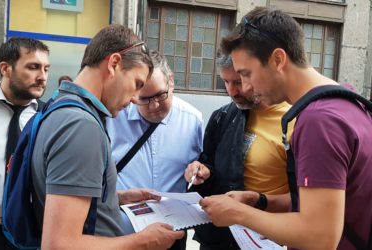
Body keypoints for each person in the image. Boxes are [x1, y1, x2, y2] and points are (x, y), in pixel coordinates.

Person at [200, 7, 372, 250]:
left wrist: (239, 214)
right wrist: (260, 201)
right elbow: (323, 202)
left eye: (246, 74)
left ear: (278, 60)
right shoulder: (347, 101)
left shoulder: (318, 121)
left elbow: (320, 237)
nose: (246, 88)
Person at [31, 24, 184, 249]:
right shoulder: (80, 126)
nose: (134, 99)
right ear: (114, 64)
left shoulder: (59, 106)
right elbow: (58, 244)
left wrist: (116, 197)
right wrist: (142, 240)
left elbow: (63, 195)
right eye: (137, 84)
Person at [185, 53, 293, 250]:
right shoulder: (223, 116)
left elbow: (304, 198)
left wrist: (256, 201)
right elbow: (210, 164)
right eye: (225, 82)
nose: (232, 91)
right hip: (219, 237)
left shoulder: (294, 121)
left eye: (238, 81)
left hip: (266, 239)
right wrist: (204, 173)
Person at [107, 50, 203, 249]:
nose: (154, 106)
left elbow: (201, 168)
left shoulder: (192, 120)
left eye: (160, 95)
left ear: (171, 82)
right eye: (145, 98)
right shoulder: (114, 118)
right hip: (124, 227)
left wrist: (199, 170)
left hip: (173, 229)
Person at [0, 37, 50, 249]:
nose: (42, 77)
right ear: (5, 68)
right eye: (33, 67)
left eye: (46, 68)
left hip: (30, 234)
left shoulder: (50, 116)